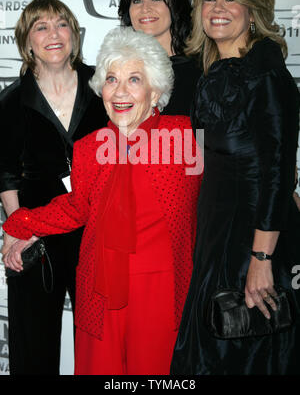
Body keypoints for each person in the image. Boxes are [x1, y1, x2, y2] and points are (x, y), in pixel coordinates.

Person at [1, 27, 202, 375]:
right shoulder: (90, 148)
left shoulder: (183, 137)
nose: (120, 91)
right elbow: (78, 207)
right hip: (100, 290)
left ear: (155, 91)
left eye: (134, 80)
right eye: (111, 79)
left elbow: (228, 186)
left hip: (160, 293)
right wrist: (21, 224)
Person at [170, 0, 300, 375]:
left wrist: (261, 258)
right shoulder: (211, 72)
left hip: (251, 240)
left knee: (241, 352)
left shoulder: (265, 74)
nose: (218, 7)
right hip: (216, 235)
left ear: (253, 8)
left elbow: (278, 170)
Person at [0, 0, 108, 375]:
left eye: (61, 24)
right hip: (37, 240)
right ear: (27, 42)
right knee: (33, 352)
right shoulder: (10, 102)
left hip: (97, 238)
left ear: (74, 35)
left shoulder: (104, 88)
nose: (52, 34)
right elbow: (6, 173)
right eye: (40, 27)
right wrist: (19, 230)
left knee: (100, 353)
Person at [118, 0, 202, 115]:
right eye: (137, 0)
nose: (145, 8)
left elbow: (203, 135)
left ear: (176, 4)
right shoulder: (120, 71)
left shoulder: (201, 71)